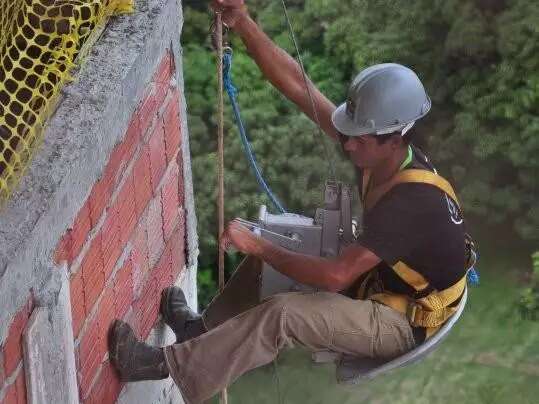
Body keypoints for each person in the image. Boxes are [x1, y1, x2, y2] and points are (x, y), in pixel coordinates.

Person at [108, 1, 471, 403]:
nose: (347, 145)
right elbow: (300, 87)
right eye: (348, 135)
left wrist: (258, 244)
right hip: (384, 284)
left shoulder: (409, 203)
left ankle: (160, 365)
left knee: (284, 314)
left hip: (402, 321)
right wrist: (242, 21)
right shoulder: (378, 155)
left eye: (358, 140)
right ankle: (201, 333)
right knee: (277, 251)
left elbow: (335, 276)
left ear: (394, 138)